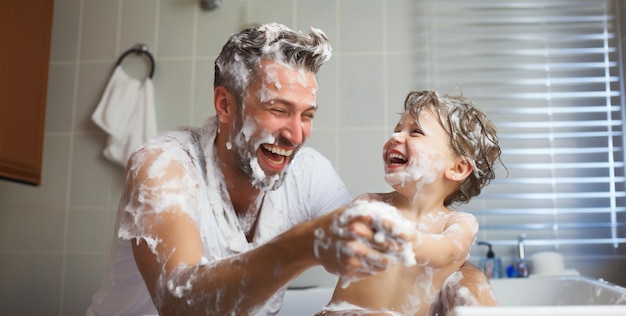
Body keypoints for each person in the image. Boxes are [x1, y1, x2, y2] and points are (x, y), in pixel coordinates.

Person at [87, 23, 495, 316]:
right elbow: (179, 303)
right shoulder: (164, 166)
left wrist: (471, 293)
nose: (296, 134)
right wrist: (305, 244)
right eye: (278, 110)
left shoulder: (309, 173)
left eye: (307, 115)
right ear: (225, 105)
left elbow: (419, 246)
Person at [316, 90, 502, 316]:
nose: (395, 137)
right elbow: (337, 250)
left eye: (416, 132)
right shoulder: (370, 203)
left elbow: (447, 251)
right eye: (397, 130)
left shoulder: (458, 222)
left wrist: (407, 239)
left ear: (457, 168)